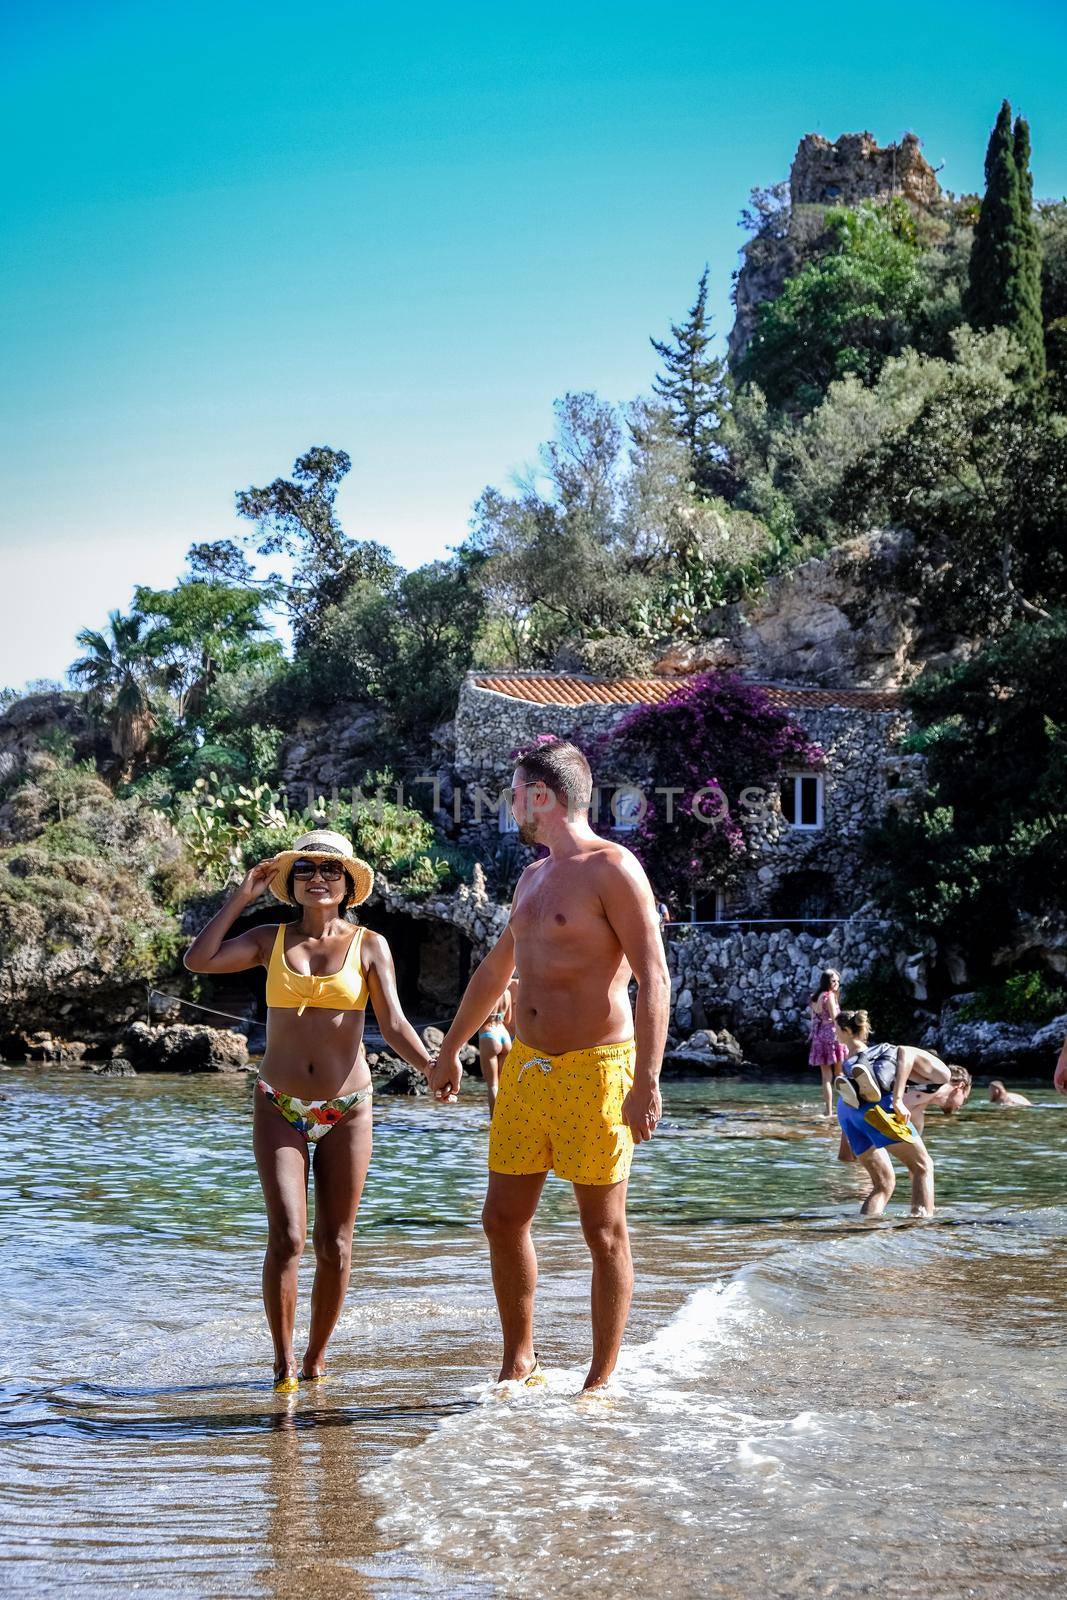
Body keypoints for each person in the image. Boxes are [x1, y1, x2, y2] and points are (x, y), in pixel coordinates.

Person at [429, 737, 670, 1392]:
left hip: (597, 1068)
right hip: (528, 1069)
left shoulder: (612, 868)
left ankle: (599, 1380)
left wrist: (645, 1080)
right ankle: (519, 1360)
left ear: (544, 797)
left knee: (603, 1229)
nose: (511, 805)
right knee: (501, 1218)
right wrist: (450, 1049)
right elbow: (494, 971)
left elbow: (654, 976)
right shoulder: (532, 877)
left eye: (516, 792)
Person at [184, 829, 435, 1392]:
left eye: (329, 870)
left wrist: (434, 1066)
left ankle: (316, 1357)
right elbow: (199, 960)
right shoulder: (267, 938)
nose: (317, 878)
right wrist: (242, 896)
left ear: (347, 884)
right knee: (290, 1236)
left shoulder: (370, 944)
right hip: (279, 1103)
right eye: (304, 870)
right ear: (290, 882)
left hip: (349, 1106)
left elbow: (393, 1024)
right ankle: (281, 1363)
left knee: (337, 1243)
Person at [832, 1009, 936, 1217]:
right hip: (876, 1108)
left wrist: (845, 1143)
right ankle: (921, 1227)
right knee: (923, 1167)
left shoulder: (846, 1059)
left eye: (836, 1030)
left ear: (845, 1031)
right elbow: (901, 1063)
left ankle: (865, 1232)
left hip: (847, 1110)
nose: (835, 1034)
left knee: (883, 1184)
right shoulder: (880, 1051)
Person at [808, 969, 845, 1118]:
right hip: (832, 1037)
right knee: (839, 1073)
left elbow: (813, 1019)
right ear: (827, 982)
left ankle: (828, 1111)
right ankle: (846, 1108)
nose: (836, 984)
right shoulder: (829, 996)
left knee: (826, 1077)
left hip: (818, 1038)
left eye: (838, 981)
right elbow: (836, 1018)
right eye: (833, 981)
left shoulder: (815, 998)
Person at [478, 977, 516, 1116]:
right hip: (504, 1035)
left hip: (489, 1035)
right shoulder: (507, 993)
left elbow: (476, 1017)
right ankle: (507, 1119)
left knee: (492, 1085)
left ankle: (494, 1123)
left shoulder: (486, 992)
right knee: (503, 1085)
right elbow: (508, 1019)